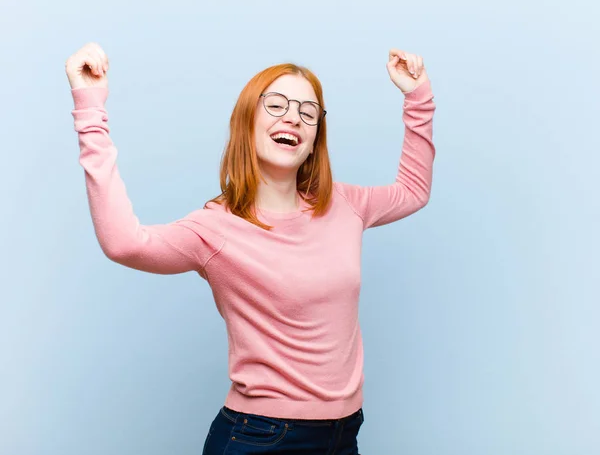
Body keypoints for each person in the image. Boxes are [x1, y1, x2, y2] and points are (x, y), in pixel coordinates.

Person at [65, 41, 436, 455]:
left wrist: (417, 95)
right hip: (261, 437)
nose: (293, 117)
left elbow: (413, 191)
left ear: (315, 139)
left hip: (343, 433)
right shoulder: (216, 228)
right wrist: (90, 107)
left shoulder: (344, 205)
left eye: (308, 112)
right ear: (248, 122)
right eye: (277, 105)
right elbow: (123, 243)